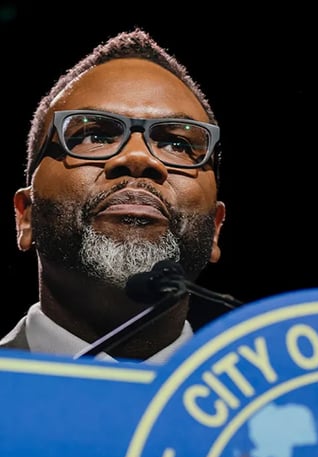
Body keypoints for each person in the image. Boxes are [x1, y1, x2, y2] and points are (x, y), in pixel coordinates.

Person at [0, 29, 226, 363]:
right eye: (94, 135)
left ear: (216, 229)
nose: (139, 158)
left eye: (176, 144)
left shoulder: (295, 409)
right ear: (25, 215)